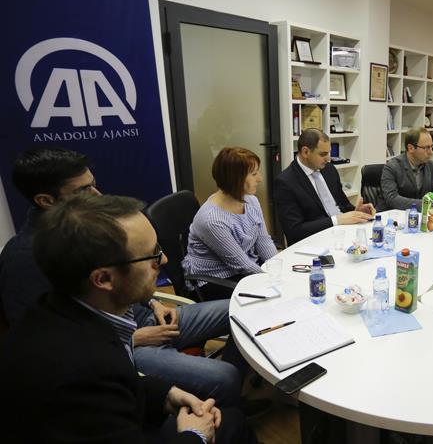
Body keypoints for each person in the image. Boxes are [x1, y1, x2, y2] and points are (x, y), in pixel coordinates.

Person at [0, 194, 257, 443]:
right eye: (153, 255)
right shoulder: (77, 373)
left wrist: (166, 394)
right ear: (103, 279)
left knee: (233, 420)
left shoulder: (65, 310)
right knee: (234, 424)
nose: (165, 259)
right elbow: (106, 388)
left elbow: (122, 383)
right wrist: (195, 435)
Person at [0, 147, 244, 406]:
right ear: (46, 201)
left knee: (242, 311)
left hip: (146, 317)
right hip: (123, 345)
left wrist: (152, 301)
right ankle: (223, 411)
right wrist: (133, 337)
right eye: (83, 190)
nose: (97, 195)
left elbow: (125, 275)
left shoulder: (93, 225)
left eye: (93, 184)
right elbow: (44, 343)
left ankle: (223, 402)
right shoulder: (23, 259)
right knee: (225, 377)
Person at [182, 146, 278, 299]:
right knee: (273, 297)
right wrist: (274, 278)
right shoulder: (212, 220)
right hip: (216, 279)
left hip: (244, 267)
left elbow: (263, 241)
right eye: (254, 174)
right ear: (236, 179)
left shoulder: (251, 201)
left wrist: (278, 267)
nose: (259, 179)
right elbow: (241, 264)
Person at [274, 128, 375, 246]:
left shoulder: (329, 169)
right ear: (305, 152)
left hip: (343, 233)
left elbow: (342, 205)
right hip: (315, 242)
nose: (328, 159)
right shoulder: (285, 182)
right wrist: (337, 220)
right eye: (323, 154)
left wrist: (356, 211)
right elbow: (295, 231)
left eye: (329, 153)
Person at [381, 127, 433, 211]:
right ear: (411, 148)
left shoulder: (431, 165)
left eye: (431, 147)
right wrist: (425, 204)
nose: (431, 152)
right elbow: (392, 198)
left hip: (421, 215)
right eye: (426, 148)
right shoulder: (392, 167)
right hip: (394, 215)